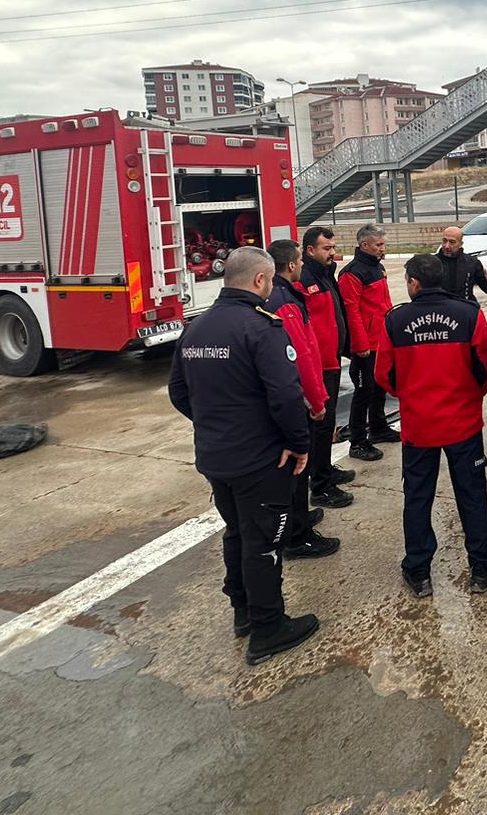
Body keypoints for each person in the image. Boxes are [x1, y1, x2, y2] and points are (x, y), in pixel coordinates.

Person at [167, 245, 322, 665]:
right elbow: (285, 395)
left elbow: (178, 392)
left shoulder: (196, 328)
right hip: (260, 460)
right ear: (260, 280)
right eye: (269, 281)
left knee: (236, 532)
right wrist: (299, 443)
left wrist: (215, 424)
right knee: (264, 542)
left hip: (216, 456)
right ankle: (268, 628)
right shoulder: (262, 328)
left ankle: (243, 612)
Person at [376, 254, 487, 598]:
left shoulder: (395, 320)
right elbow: (486, 369)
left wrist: (412, 396)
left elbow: (385, 375)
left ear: (413, 283)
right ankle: (483, 565)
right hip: (462, 424)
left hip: (419, 425)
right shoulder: (468, 314)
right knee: (472, 494)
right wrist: (467, 397)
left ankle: (418, 569)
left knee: (417, 497)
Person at [266, 240, 354, 544]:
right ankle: (298, 534)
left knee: (297, 459)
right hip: (304, 386)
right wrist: (315, 400)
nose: (302, 264)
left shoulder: (289, 291)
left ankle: (297, 517)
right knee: (297, 459)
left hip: (317, 371)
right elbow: (301, 354)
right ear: (292, 264)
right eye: (300, 259)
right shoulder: (285, 300)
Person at [299, 225, 360, 483]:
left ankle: (324, 468)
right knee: (320, 424)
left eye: (333, 247)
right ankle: (320, 481)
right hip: (318, 365)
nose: (332, 252)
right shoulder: (304, 279)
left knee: (328, 421)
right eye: (327, 248)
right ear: (310, 250)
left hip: (332, 360)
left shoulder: (325, 274)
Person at [339, 223, 398, 461]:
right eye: (379, 245)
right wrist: (360, 344)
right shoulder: (351, 274)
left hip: (381, 339)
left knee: (380, 386)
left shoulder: (378, 267)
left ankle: (378, 427)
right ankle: (357, 442)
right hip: (365, 345)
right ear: (365, 245)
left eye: (383, 244)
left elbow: (385, 303)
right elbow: (351, 312)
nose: (383, 248)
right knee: (364, 392)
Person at [436, 225, 487, 305]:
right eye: (444, 241)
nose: (447, 246)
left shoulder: (472, 262)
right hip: (440, 307)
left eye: (452, 242)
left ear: (460, 244)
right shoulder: (432, 262)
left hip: (466, 306)